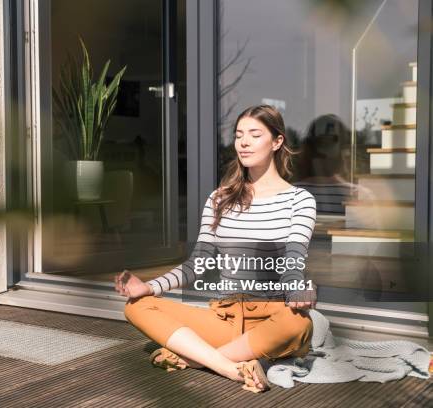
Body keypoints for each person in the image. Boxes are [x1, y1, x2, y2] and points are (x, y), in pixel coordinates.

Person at [114, 104, 317, 393]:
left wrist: (298, 289)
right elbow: (198, 263)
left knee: (298, 324)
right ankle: (229, 367)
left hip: (272, 316)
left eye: (255, 134)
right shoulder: (219, 199)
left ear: (277, 141)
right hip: (224, 316)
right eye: (238, 135)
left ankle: (195, 357)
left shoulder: (300, 200)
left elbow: (293, 263)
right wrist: (149, 287)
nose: (243, 142)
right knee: (137, 307)